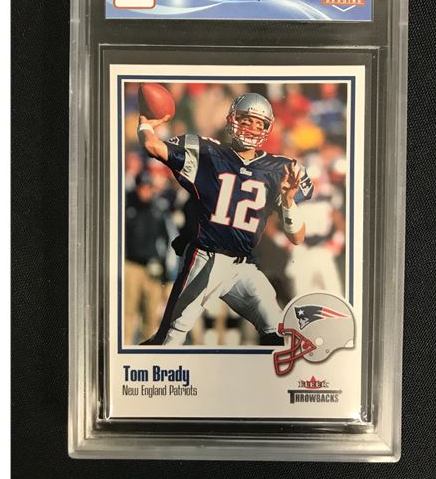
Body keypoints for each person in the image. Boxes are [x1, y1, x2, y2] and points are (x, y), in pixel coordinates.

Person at [137, 93, 314, 346]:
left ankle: (267, 374)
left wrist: (287, 200)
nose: (251, 127)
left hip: (243, 266)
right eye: (246, 120)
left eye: (259, 123)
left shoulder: (278, 170)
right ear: (232, 120)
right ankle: (141, 368)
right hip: (205, 259)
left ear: (267, 129)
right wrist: (145, 125)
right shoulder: (208, 154)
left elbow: (297, 237)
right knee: (170, 338)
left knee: (277, 331)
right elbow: (153, 147)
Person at [123, 171, 172, 344]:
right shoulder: (128, 208)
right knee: (128, 313)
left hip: (153, 268)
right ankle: (126, 347)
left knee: (151, 316)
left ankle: (147, 352)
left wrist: (165, 271)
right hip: (132, 266)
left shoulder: (158, 210)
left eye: (148, 187)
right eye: (142, 187)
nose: (145, 191)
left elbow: (167, 241)